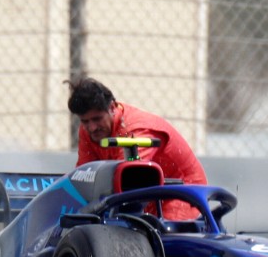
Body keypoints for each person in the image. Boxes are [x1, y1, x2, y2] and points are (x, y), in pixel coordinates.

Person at [67, 77, 206, 220]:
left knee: (161, 237)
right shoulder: (87, 131)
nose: (92, 127)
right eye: (85, 121)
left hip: (181, 191)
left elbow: (127, 179)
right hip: (148, 193)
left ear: (112, 108)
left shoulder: (135, 130)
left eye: (97, 119)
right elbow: (84, 175)